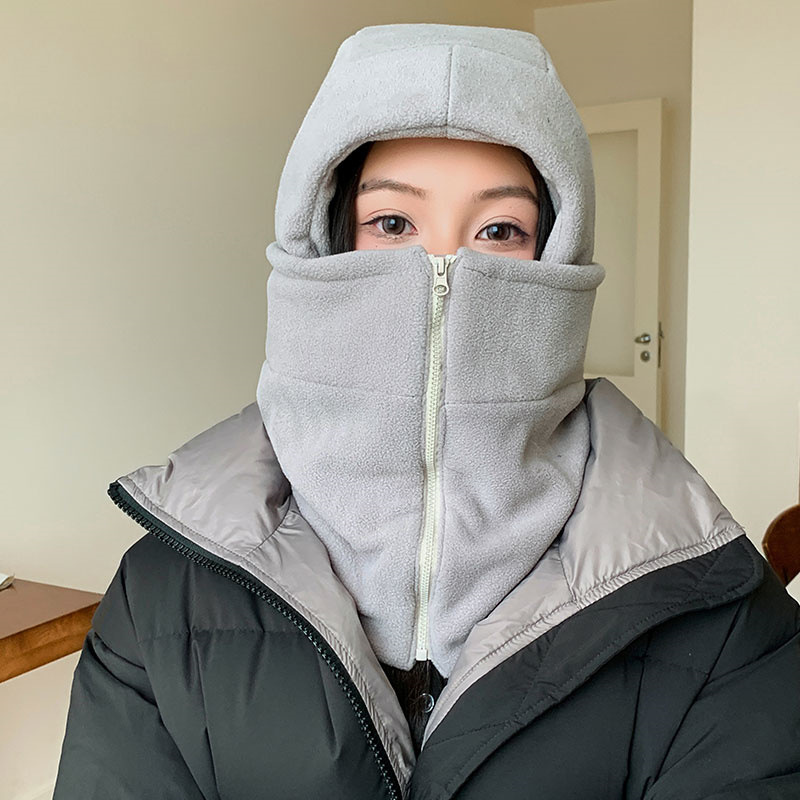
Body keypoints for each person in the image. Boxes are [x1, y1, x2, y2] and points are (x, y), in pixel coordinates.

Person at [53, 22, 800, 800]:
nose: (445, 266)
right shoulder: (158, 597)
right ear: (326, 246)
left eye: (500, 230)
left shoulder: (715, 600)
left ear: (557, 259)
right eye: (393, 224)